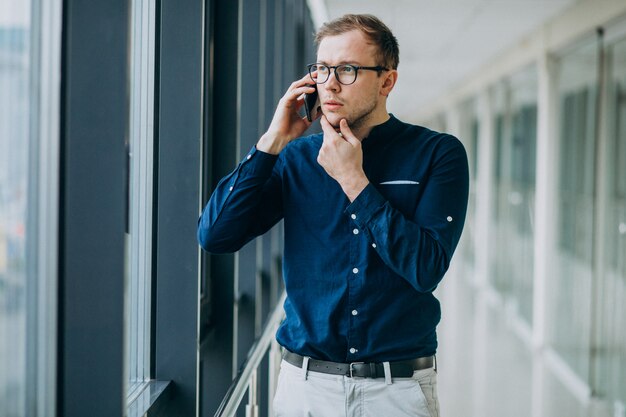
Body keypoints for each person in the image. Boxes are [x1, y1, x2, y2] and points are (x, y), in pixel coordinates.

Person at [198, 13, 469, 417]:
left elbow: (426, 267)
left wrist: (354, 181)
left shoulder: (438, 154)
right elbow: (216, 234)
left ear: (386, 81)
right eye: (322, 69)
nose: (330, 83)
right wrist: (273, 140)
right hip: (305, 389)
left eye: (347, 69)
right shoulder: (296, 158)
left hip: (396, 392)